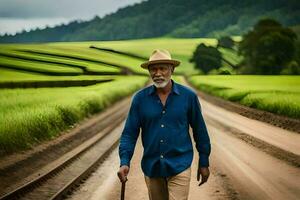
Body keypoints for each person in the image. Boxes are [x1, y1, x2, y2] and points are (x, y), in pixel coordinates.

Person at [117, 49, 211, 200]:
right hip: (152, 167)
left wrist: (204, 161)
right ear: (149, 72)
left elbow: (200, 131)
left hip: (180, 164)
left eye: (163, 68)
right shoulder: (140, 99)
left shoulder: (188, 97)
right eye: (154, 69)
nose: (158, 73)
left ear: (172, 70)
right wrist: (124, 162)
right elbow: (129, 134)